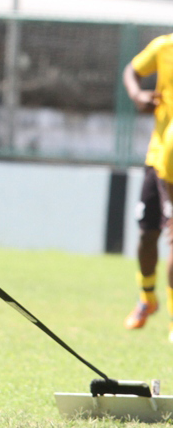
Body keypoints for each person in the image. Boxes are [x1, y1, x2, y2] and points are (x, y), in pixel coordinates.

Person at [122, 37, 173, 342]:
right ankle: (147, 298)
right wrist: (137, 94)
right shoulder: (164, 47)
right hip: (158, 158)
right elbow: (132, 70)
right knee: (146, 234)